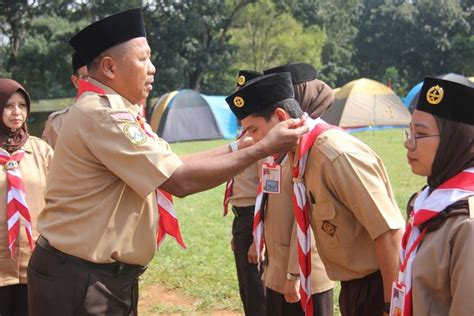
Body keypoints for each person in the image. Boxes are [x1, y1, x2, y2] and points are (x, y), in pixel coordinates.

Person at [26, 9, 307, 316]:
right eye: (143, 59)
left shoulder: (115, 110)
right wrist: (262, 148)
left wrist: (238, 147)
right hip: (81, 280)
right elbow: (178, 179)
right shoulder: (104, 115)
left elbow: (171, 162)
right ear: (109, 67)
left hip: (93, 276)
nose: (152, 69)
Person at [226, 72, 405, 316]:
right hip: (354, 288)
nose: (253, 141)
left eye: (254, 130)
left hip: (376, 287)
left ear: (281, 117)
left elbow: (390, 233)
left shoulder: (334, 154)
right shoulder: (301, 155)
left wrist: (391, 307)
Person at [251, 63, 335, 316]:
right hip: (279, 268)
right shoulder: (286, 144)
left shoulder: (315, 146)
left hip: (304, 274)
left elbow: (312, 217)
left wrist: (294, 273)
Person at [396, 77, 473, 316]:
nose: (409, 143)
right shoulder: (427, 199)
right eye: (409, 131)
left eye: (420, 134)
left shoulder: (467, 223)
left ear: (454, 140)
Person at [0, 79, 53, 316]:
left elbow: (58, 198)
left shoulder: (41, 151)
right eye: (9, 105)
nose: (16, 112)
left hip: (35, 259)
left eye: (22, 105)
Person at [225, 70, 266, 316]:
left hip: (255, 217)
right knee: (248, 290)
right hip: (243, 218)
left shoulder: (261, 138)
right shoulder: (245, 133)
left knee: (257, 292)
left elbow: (267, 189)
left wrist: (257, 238)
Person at [42, 52, 88, 148]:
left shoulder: (122, 113)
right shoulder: (58, 123)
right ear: (76, 81)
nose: (94, 83)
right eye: (86, 77)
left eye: (98, 79)